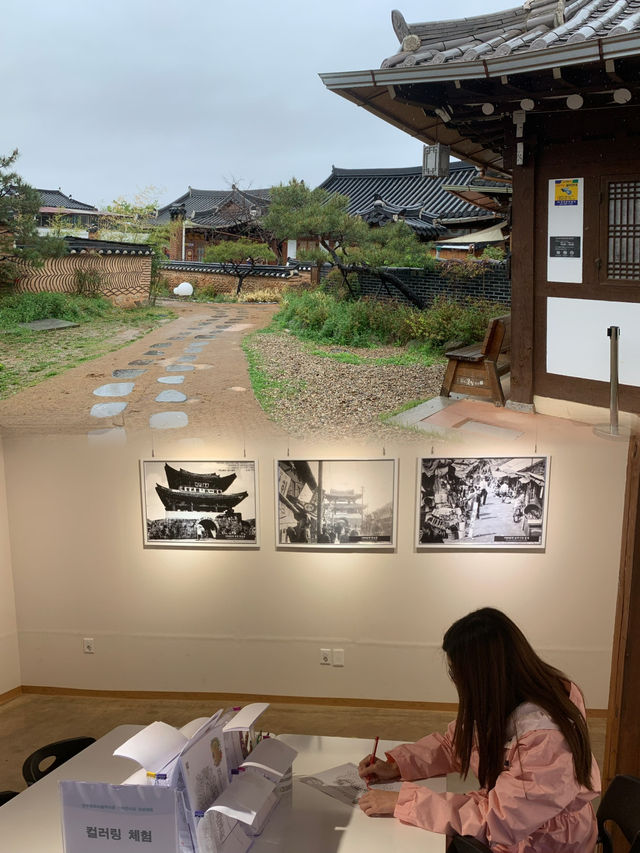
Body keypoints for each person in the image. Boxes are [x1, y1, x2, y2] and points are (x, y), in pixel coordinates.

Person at [357, 608, 600, 853]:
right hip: (515, 828)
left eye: (456, 673)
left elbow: (498, 820)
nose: (455, 681)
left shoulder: (546, 740)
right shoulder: (501, 701)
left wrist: (405, 801)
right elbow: (453, 745)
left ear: (481, 677)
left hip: (544, 843)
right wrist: (397, 765)